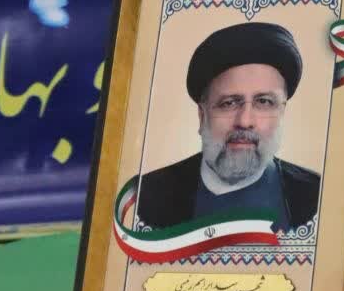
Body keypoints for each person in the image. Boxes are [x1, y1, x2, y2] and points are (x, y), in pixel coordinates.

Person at [136, 22, 320, 233]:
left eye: (264, 102)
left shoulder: (317, 197)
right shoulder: (143, 197)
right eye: (229, 103)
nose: (245, 121)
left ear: (282, 112)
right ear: (202, 115)